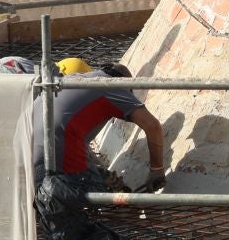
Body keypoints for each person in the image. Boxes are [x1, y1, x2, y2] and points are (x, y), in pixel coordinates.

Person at [35, 59, 168, 190]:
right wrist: (157, 170)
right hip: (57, 141)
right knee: (101, 195)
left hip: (27, 141)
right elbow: (152, 126)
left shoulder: (78, 78)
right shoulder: (114, 87)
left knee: (46, 196)